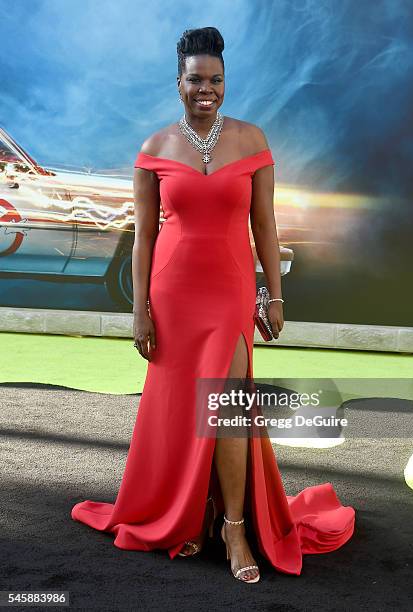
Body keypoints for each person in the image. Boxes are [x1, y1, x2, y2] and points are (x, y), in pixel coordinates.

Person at [71, 26, 355, 584]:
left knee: (226, 410)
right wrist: (140, 311)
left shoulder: (252, 141)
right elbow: (145, 239)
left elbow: (266, 227)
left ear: (226, 83)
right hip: (171, 296)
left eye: (216, 80)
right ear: (178, 83)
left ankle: (233, 526)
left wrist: (273, 293)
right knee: (182, 411)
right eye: (196, 80)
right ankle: (188, 517)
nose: (207, 90)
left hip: (228, 293)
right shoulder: (154, 148)